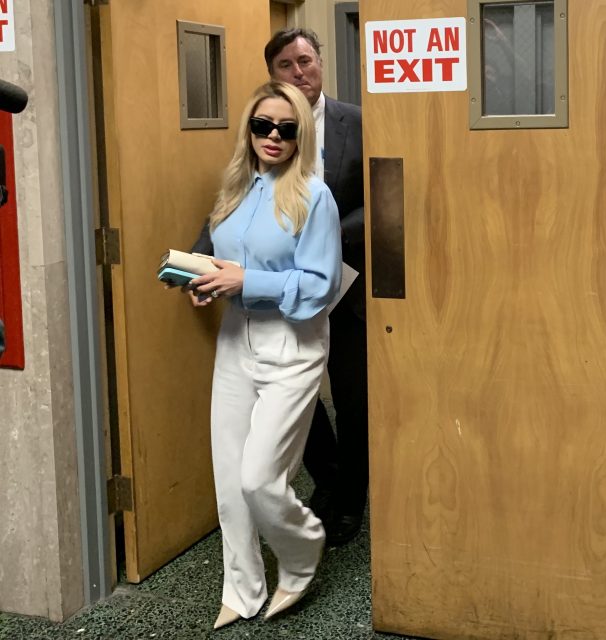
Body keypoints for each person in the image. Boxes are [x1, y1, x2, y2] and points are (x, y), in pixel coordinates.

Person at [191, 27, 368, 547]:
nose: (300, 72)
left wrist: (331, 230)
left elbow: (383, 193)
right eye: (287, 65)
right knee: (298, 401)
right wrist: (202, 256)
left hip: (343, 285)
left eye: (306, 60)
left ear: (320, 63)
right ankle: (330, 482)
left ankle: (351, 500)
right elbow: (235, 196)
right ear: (274, 75)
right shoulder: (265, 127)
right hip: (270, 295)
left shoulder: (356, 122)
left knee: (353, 398)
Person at [187, 81, 342, 630]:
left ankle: (301, 553)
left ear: (302, 134)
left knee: (259, 478)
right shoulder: (234, 189)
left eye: (287, 128)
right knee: (230, 481)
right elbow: (218, 257)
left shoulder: (313, 196)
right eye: (262, 126)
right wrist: (202, 280)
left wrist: (246, 279)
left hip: (292, 345)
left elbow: (320, 285)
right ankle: (242, 588)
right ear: (248, 130)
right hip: (235, 339)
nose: (273, 137)